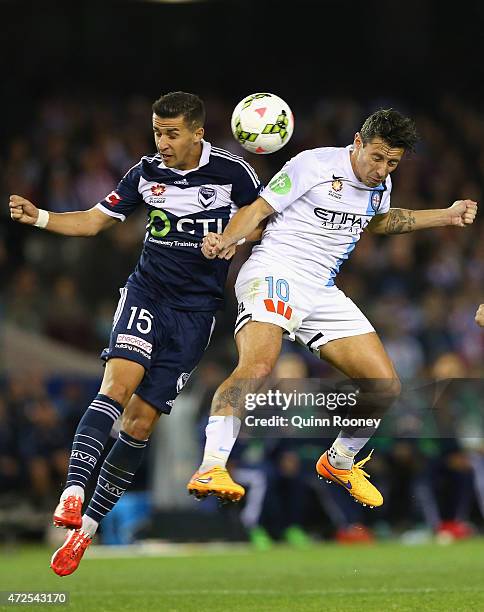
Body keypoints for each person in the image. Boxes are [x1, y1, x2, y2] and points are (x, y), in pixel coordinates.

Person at [9, 91, 263, 576]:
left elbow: (263, 222)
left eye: (171, 134)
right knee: (116, 387)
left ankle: (85, 531)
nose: (162, 143)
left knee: (142, 422)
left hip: (196, 315)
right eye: (157, 133)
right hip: (148, 295)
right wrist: (39, 216)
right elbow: (89, 222)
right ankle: (72, 491)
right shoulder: (145, 173)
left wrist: (232, 238)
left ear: (197, 133)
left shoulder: (233, 173)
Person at [187, 108, 478, 511]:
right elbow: (259, 209)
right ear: (358, 142)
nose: (381, 169)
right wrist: (226, 240)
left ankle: (340, 461)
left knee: (384, 386)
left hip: (321, 290)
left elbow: (379, 222)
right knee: (257, 366)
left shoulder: (382, 184)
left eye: (392, 162)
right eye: (376, 157)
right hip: (275, 271)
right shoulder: (314, 164)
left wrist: (444, 215)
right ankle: (211, 465)